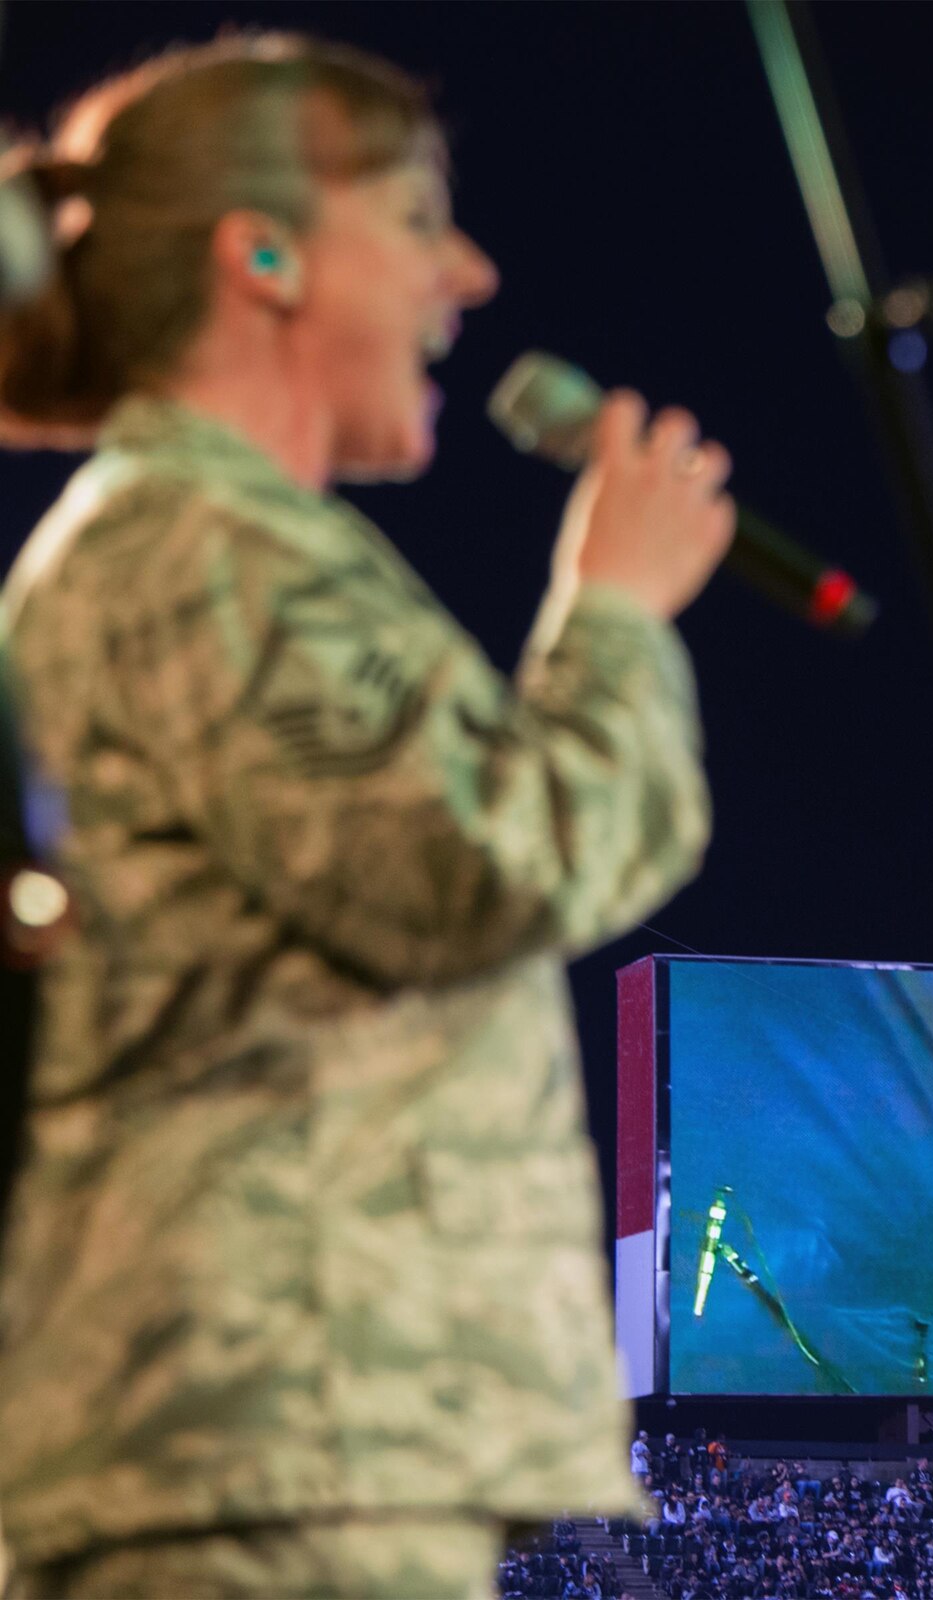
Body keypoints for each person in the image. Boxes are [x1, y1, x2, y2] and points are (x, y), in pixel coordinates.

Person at [0, 33, 732, 1599]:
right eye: (411, 221)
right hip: (271, 1451)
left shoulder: (210, 543)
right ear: (261, 255)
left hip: (280, 1442)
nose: (465, 272)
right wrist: (612, 613)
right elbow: (500, 860)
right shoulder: (199, 546)